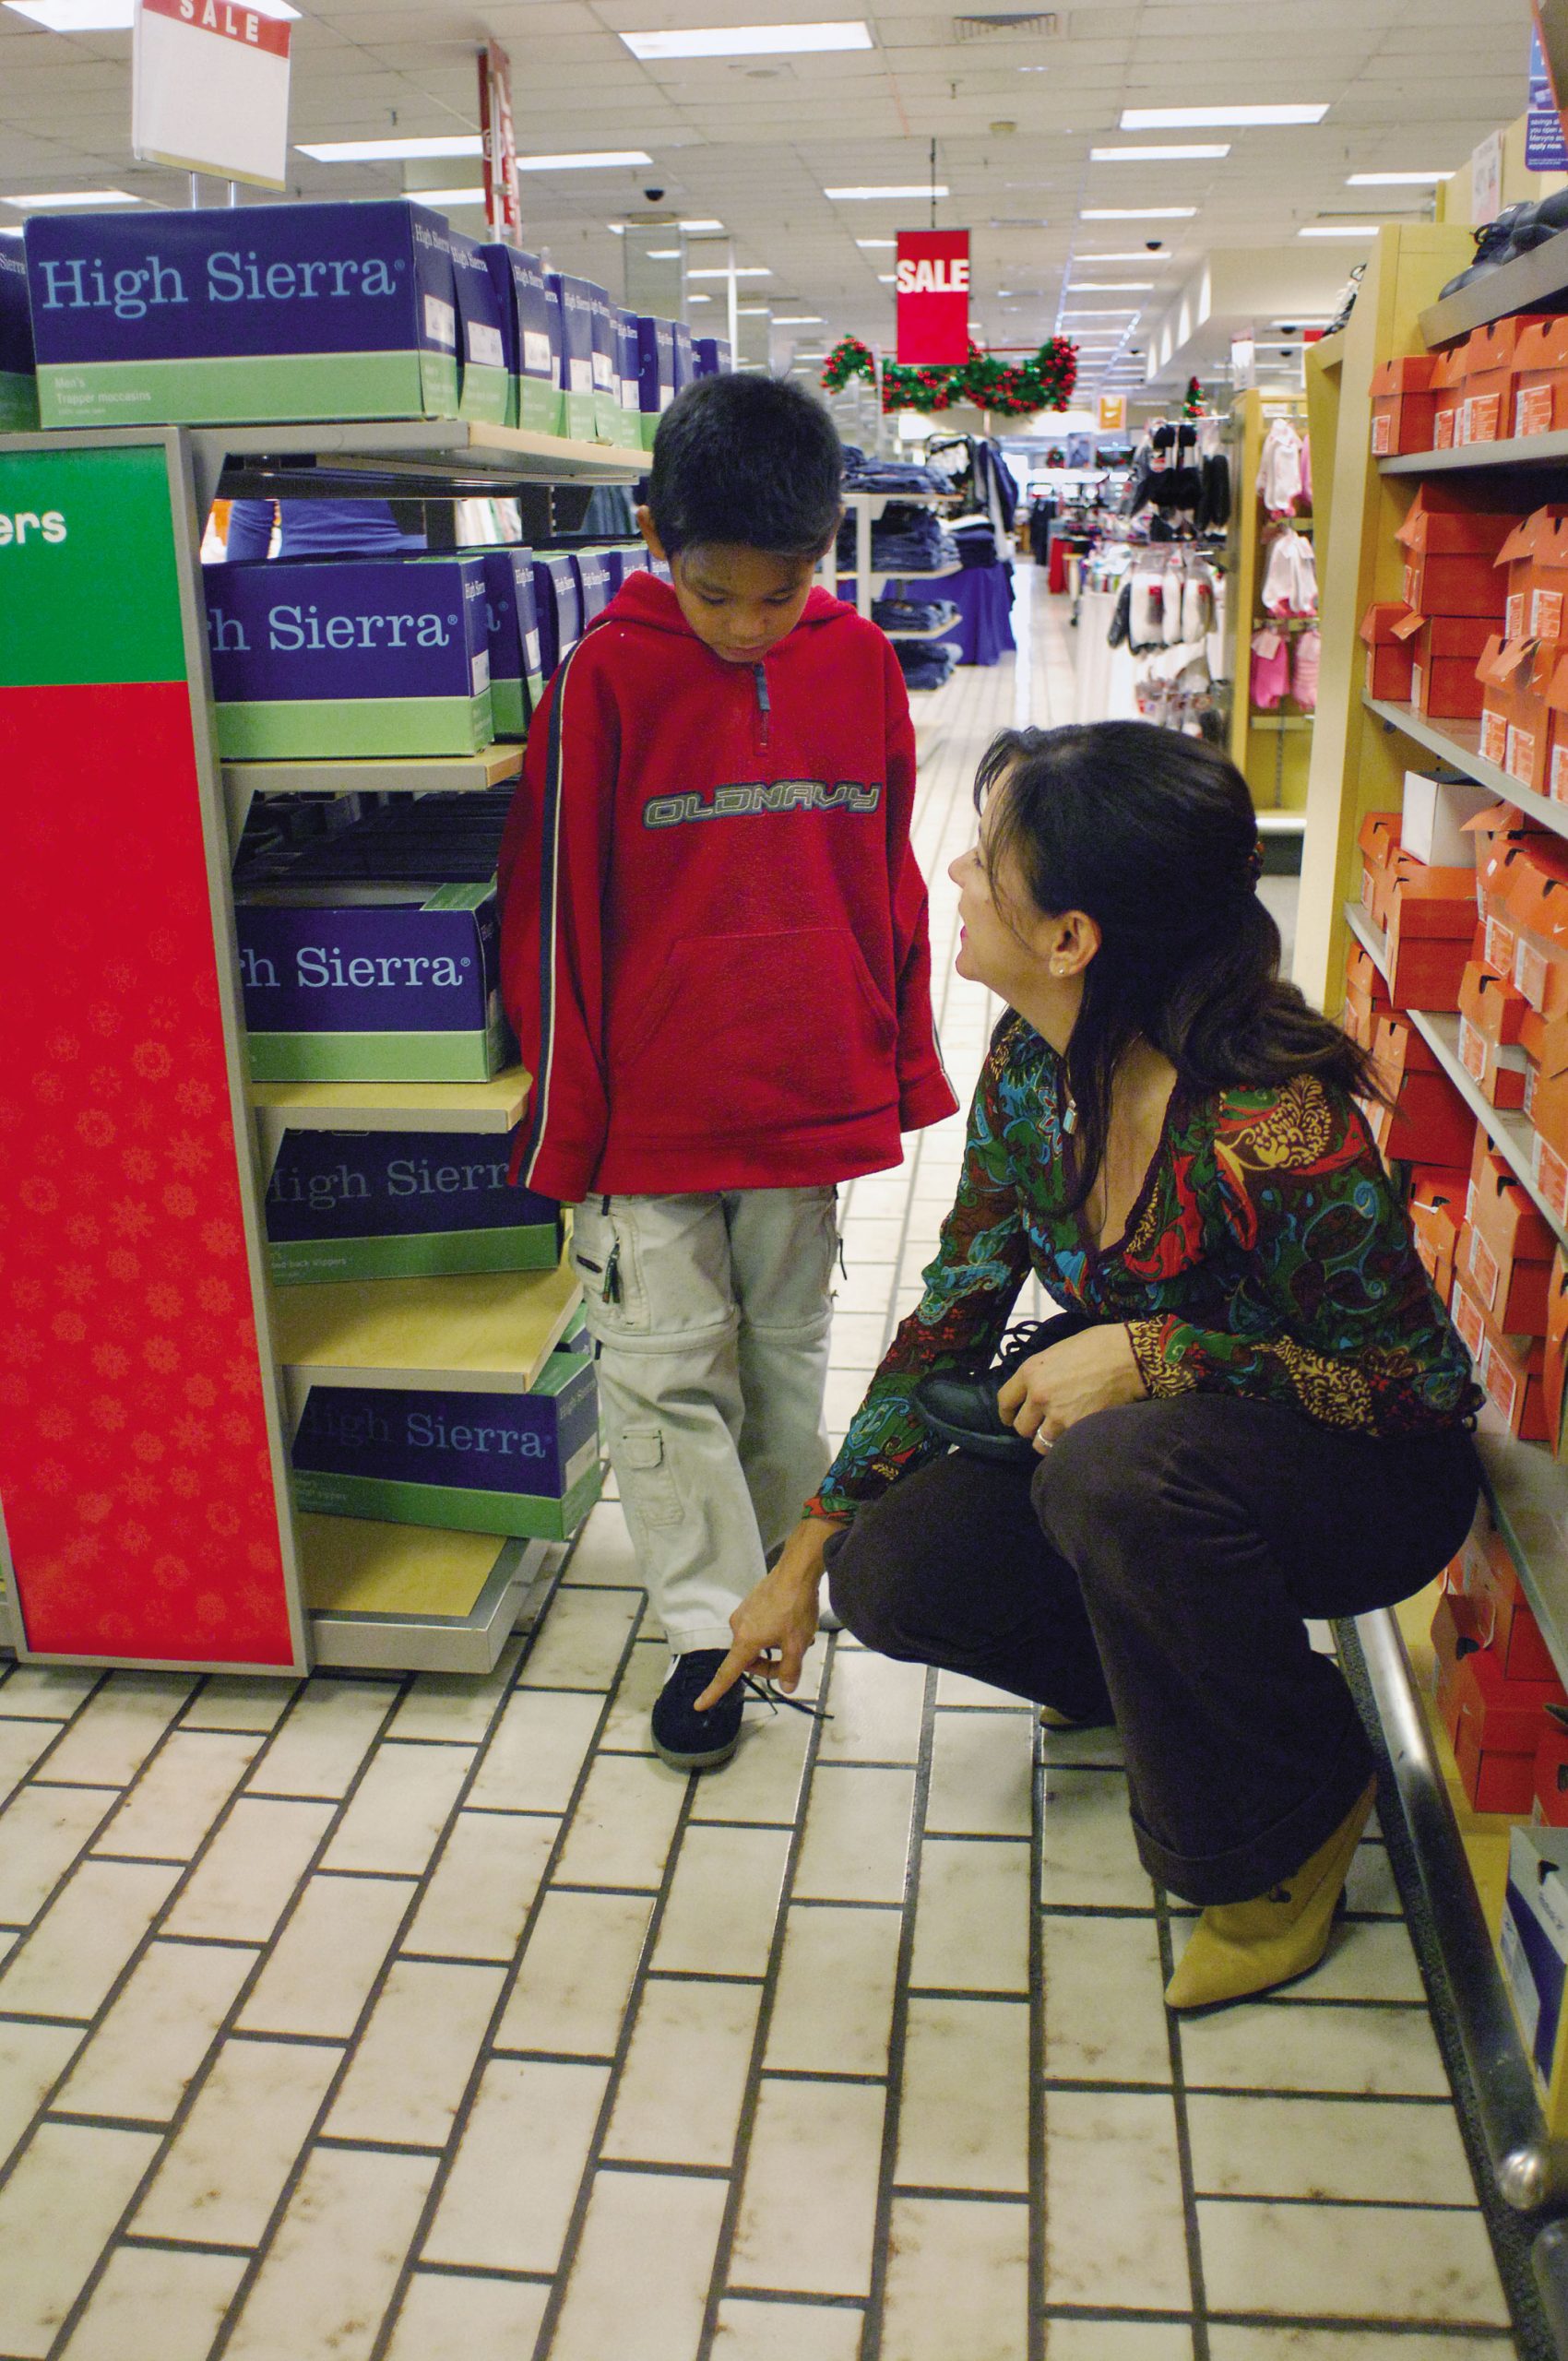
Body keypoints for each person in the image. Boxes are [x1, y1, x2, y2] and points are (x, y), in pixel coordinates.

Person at [698, 720, 1482, 2011]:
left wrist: (1154, 1355)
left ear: (1071, 938)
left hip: (1364, 1483)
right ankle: (1147, 1672)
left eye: (988, 858)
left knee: (1109, 1475)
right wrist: (801, 1559)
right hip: (1166, 1455)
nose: (957, 872)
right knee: (891, 1572)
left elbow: (1423, 1393)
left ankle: (1290, 1818)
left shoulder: (1270, 1121)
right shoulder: (1031, 1065)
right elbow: (951, 1312)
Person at [496, 373, 957, 1774]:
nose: (751, 624)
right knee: (661, 1367)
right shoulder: (605, 680)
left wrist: (897, 1065)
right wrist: (569, 1126)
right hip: (646, 1115)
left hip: (804, 1098)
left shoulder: (860, 666)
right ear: (654, 536)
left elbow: (885, 876)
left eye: (784, 591)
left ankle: (774, 1592)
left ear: (826, 549)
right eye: (715, 594)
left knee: (784, 1356)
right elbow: (553, 914)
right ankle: (706, 1629)